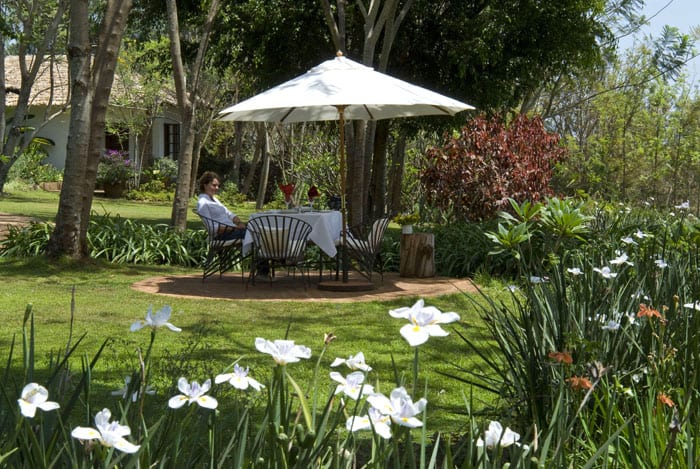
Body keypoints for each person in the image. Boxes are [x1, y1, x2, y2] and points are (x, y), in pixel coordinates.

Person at [196, 171, 246, 240]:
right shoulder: (202, 203)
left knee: (255, 231)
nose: (217, 188)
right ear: (205, 185)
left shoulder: (215, 199)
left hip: (232, 231)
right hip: (220, 236)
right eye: (214, 185)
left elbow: (229, 214)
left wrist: (239, 222)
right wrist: (234, 228)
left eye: (218, 185)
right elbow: (211, 228)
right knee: (253, 235)